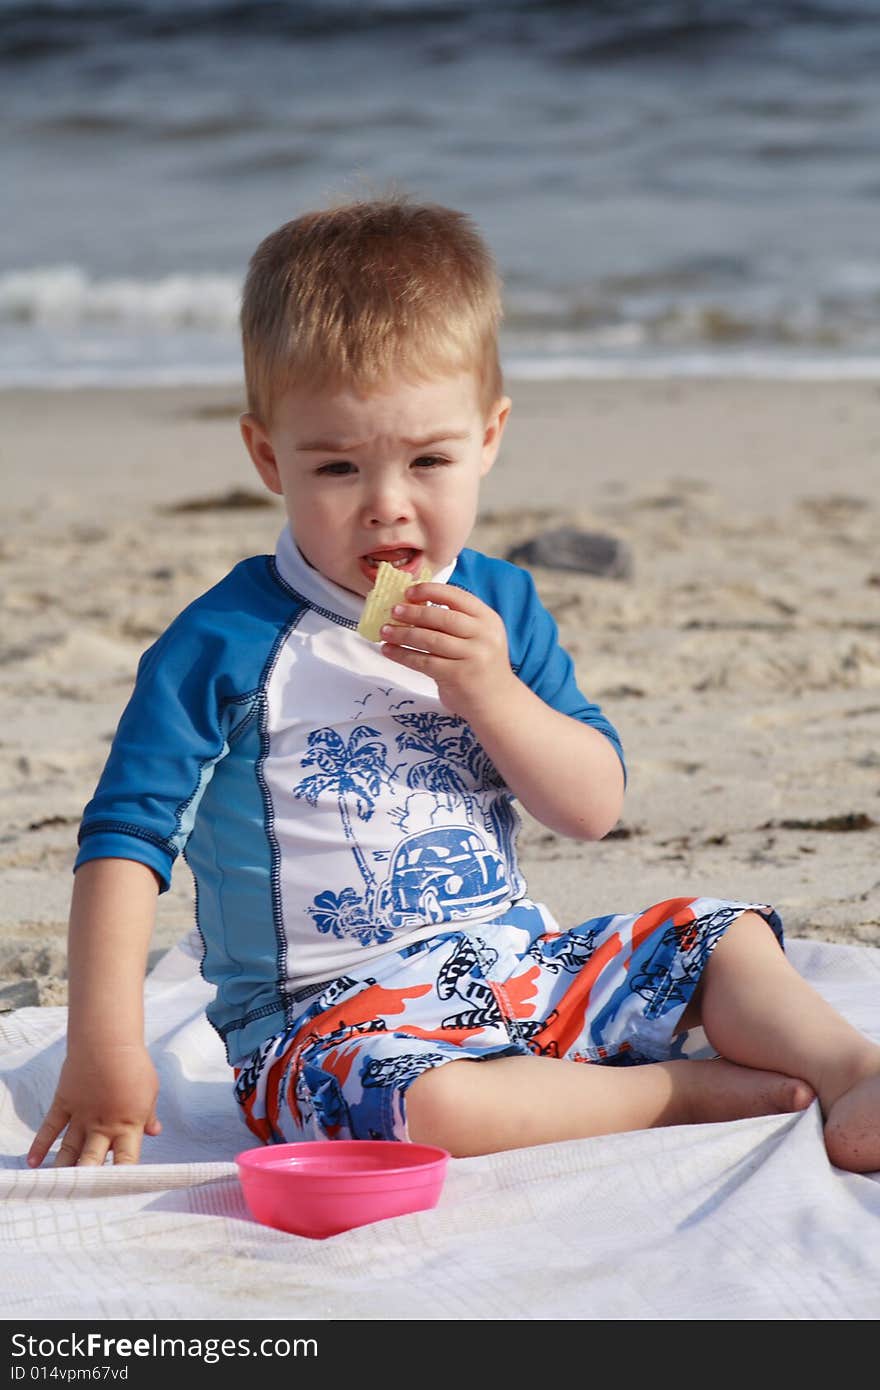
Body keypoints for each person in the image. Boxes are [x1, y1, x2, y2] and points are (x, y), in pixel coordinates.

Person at [28, 196, 880, 1174]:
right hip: (328, 1024)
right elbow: (126, 841)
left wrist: (493, 691)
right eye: (339, 465)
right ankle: (664, 1094)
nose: (388, 506)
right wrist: (106, 1043)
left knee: (714, 936)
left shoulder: (498, 604)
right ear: (268, 457)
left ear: (489, 437)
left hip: (519, 970)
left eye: (429, 459)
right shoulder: (225, 639)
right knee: (415, 1108)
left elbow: (591, 807)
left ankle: (850, 1067)